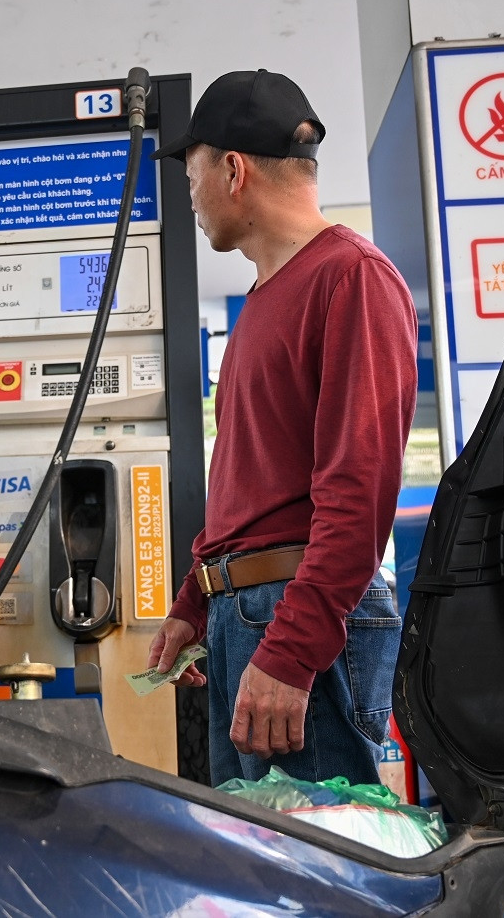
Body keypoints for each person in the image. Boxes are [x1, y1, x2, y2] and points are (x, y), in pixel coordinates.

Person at [146, 71, 417, 788]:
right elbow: (247, 480)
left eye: (192, 173)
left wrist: (293, 649)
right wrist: (194, 603)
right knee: (263, 871)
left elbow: (357, 494)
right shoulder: (263, 299)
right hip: (248, 616)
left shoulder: (350, 277)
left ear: (232, 170)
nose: (192, 196)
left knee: (316, 879)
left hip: (292, 617)